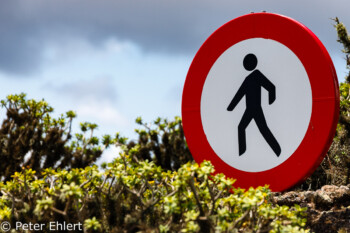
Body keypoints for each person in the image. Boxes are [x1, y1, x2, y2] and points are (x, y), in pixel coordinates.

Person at [227, 53, 281, 156]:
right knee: (241, 127)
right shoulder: (248, 79)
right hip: (249, 109)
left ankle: (277, 151)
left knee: (263, 129)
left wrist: (271, 100)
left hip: (256, 109)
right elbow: (240, 94)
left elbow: (271, 87)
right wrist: (231, 107)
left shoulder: (257, 75)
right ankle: (242, 153)